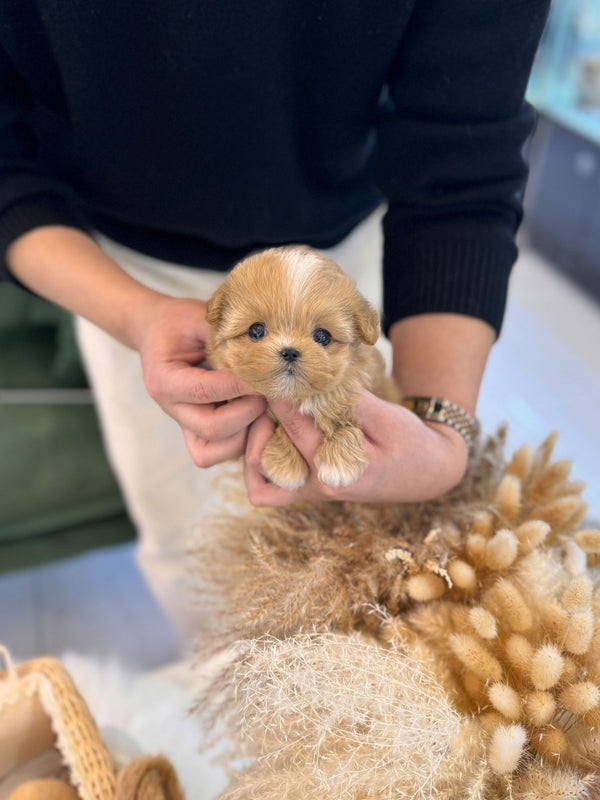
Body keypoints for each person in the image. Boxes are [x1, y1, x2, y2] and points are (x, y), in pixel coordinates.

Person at [0, 1, 550, 644]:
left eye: (318, 338)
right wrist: (136, 313)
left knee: (364, 549)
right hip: (126, 265)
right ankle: (225, 695)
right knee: (189, 547)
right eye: (261, 335)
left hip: (349, 232)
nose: (287, 352)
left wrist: (441, 428)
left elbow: (464, 164)